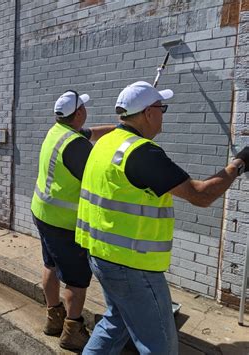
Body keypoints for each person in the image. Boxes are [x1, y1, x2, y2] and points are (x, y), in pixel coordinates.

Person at [75, 81, 249, 354]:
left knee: (116, 322)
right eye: (161, 107)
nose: (163, 114)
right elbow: (200, 195)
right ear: (147, 114)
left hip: (100, 255)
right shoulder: (142, 153)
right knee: (160, 346)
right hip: (132, 266)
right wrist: (239, 163)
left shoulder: (105, 143)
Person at [31, 90, 115, 351]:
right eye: (84, 108)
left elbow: (90, 133)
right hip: (64, 224)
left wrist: (119, 128)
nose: (86, 112)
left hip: (43, 214)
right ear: (78, 113)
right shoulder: (76, 145)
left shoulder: (57, 131)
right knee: (76, 280)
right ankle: (72, 330)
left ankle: (53, 318)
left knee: (50, 265)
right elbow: (96, 180)